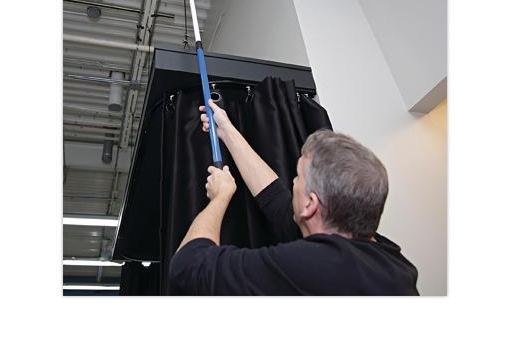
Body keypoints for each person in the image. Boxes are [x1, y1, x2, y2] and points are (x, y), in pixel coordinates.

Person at [168, 99, 419, 295]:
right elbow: (276, 201)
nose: (293, 183)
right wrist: (227, 131)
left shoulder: (313, 266)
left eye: (297, 177)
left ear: (311, 205)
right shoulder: (394, 263)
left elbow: (187, 265)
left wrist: (219, 198)